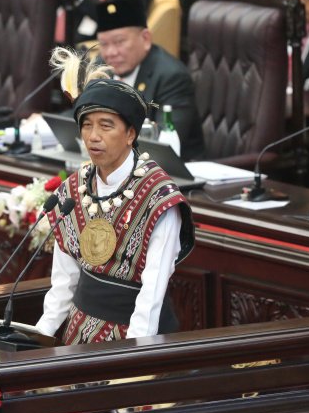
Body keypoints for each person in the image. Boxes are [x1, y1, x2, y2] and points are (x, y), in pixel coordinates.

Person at [36, 66, 195, 345]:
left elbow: (152, 294)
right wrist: (40, 337)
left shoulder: (158, 198)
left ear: (130, 133)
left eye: (106, 125)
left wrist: (128, 362)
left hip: (134, 339)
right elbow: (64, 282)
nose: (93, 136)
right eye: (87, 125)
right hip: (78, 334)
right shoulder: (73, 189)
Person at [95, 0, 204, 160]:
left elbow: (164, 140)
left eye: (119, 42)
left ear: (145, 39)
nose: (111, 53)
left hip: (174, 174)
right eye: (104, 44)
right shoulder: (101, 67)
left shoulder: (171, 76)